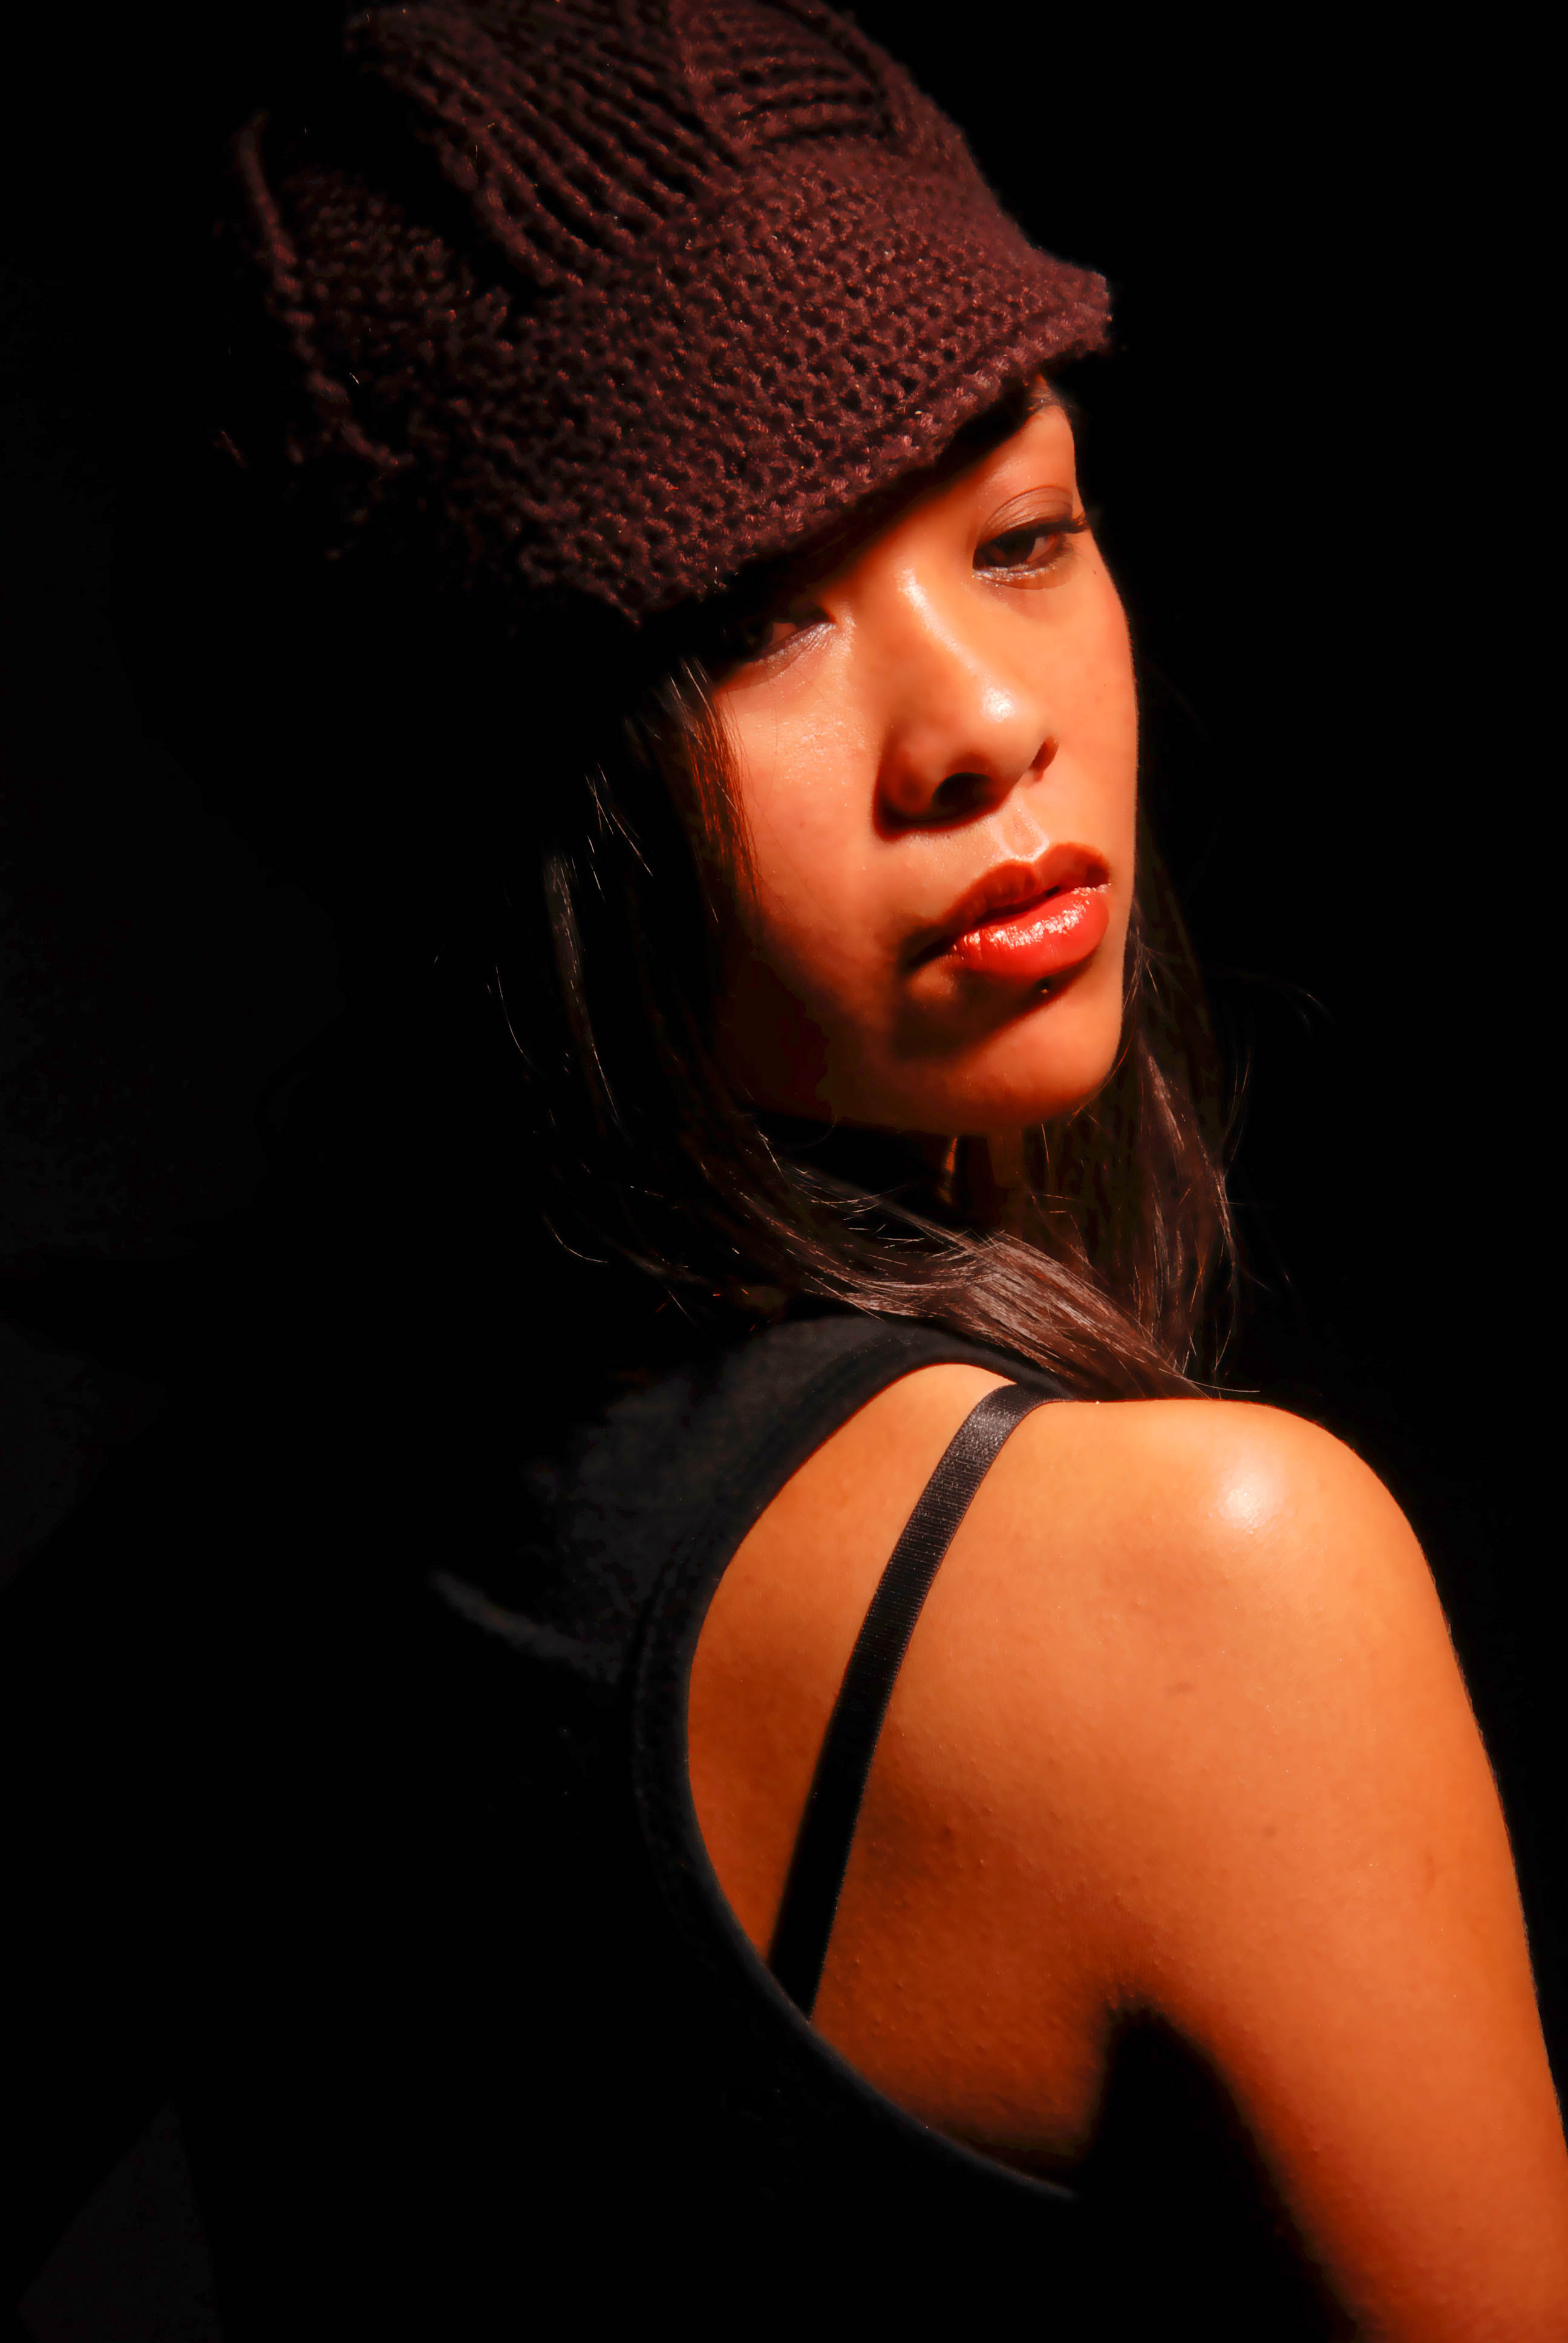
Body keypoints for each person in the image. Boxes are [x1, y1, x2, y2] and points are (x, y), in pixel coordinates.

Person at [5, 3, 1566, 2336]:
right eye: (757, 623)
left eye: (1024, 536)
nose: (984, 727)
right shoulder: (1211, 1584)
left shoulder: (215, 1563)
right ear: (473, 783)